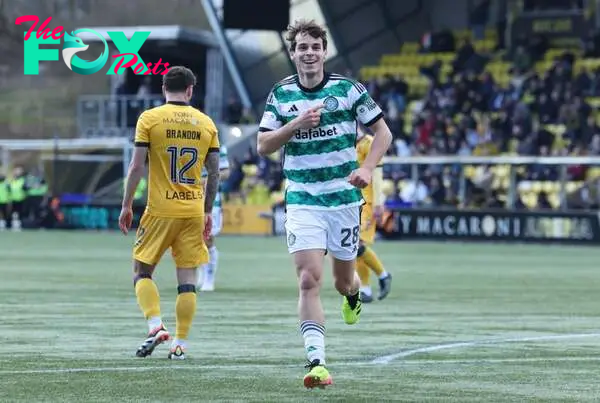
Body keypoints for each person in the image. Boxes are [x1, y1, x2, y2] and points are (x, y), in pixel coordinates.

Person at [256, 19, 392, 388]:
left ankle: (352, 297)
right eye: (302, 47)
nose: (309, 53)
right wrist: (295, 125)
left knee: (343, 281)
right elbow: (264, 144)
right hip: (302, 197)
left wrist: (366, 167)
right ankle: (317, 362)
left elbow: (383, 132)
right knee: (307, 278)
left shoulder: (347, 90)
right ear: (293, 52)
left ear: (324, 50)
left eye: (315, 47)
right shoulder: (281, 95)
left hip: (344, 199)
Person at [119, 66, 220, 360]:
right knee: (187, 280)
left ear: (164, 89)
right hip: (192, 211)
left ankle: (155, 325)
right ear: (190, 90)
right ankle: (180, 345)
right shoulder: (206, 123)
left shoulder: (149, 119)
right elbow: (213, 174)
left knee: (141, 271)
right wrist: (208, 210)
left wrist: (127, 205)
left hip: (160, 209)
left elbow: (137, 166)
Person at [355, 125, 392, 303]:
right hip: (352, 203)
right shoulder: (348, 146)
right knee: (353, 247)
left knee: (356, 244)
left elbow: (377, 175)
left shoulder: (370, 143)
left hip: (367, 203)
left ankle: (383, 275)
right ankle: (366, 288)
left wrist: (379, 203)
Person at [198, 143, 230, 291]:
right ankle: (202, 271)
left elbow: (225, 172)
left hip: (210, 198)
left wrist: (207, 180)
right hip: (187, 196)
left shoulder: (214, 142)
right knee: (193, 239)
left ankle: (209, 278)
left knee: (207, 238)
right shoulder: (182, 138)